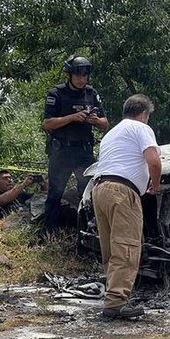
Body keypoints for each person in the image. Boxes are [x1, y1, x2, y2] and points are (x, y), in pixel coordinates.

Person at [92, 94, 161, 319]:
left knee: (111, 249)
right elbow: (153, 160)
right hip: (123, 192)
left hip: (99, 189)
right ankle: (116, 302)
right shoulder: (140, 128)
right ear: (143, 114)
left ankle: (112, 295)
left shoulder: (112, 133)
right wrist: (155, 186)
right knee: (127, 247)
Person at [43, 55, 108, 234]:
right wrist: (72, 118)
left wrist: (95, 120)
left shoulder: (91, 93)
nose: (82, 79)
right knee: (55, 193)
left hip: (84, 151)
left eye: (85, 75)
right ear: (69, 75)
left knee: (88, 193)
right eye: (78, 75)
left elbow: (105, 124)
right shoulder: (56, 93)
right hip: (61, 151)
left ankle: (87, 233)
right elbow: (47, 123)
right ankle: (49, 234)